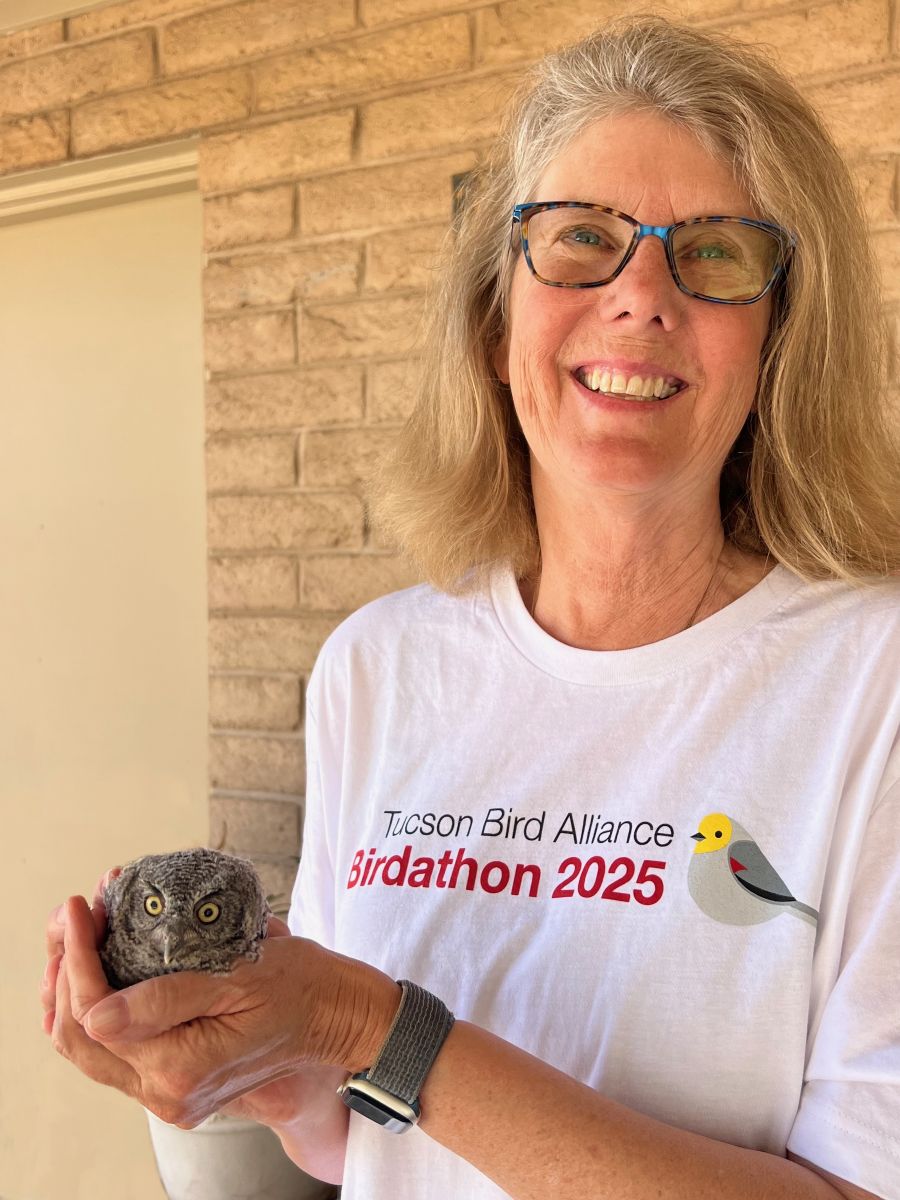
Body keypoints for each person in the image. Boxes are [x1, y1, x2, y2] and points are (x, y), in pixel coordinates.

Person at [42, 15, 900, 1200]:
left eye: (712, 254)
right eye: (582, 239)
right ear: (497, 325)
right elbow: (365, 1139)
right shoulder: (376, 669)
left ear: (779, 343)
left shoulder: (875, 686)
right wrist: (263, 1066)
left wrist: (365, 1022)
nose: (640, 295)